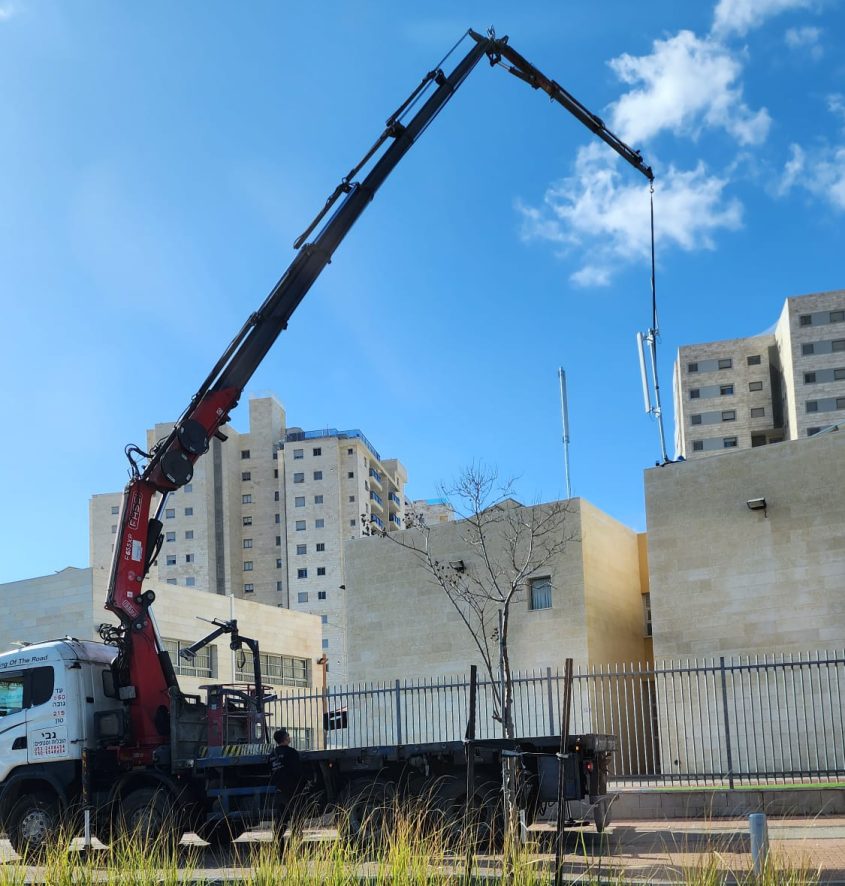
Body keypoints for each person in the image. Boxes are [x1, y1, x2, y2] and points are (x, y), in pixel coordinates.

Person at [269, 728, 303, 835]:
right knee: (296, 815)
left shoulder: (272, 755)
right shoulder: (292, 752)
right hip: (292, 788)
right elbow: (297, 770)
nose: (289, 737)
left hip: (279, 789)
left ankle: (279, 844)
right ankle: (297, 840)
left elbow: (270, 771)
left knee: (281, 817)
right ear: (285, 738)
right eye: (288, 735)